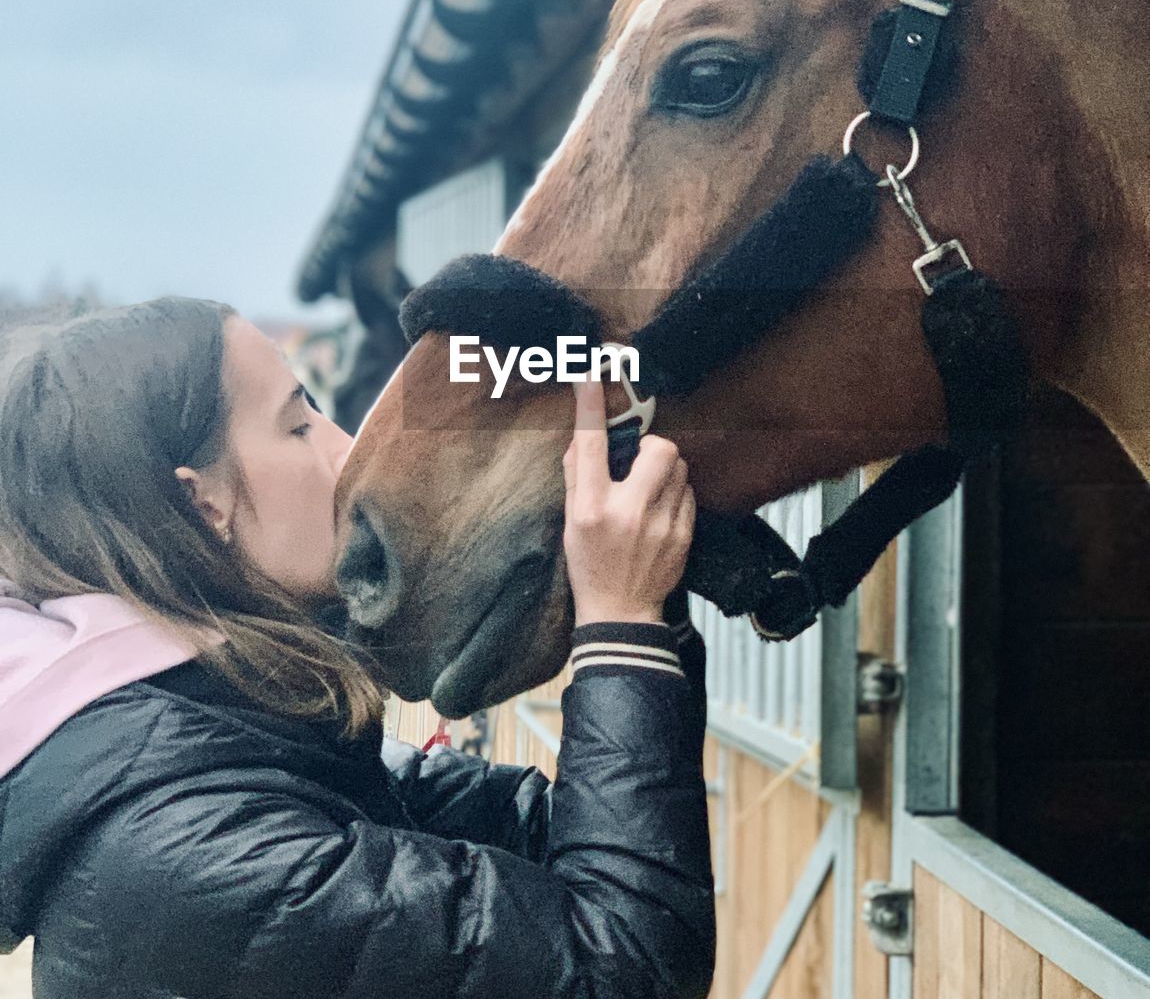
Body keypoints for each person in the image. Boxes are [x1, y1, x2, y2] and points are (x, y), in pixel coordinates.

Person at [0, 298, 714, 999]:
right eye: (297, 424)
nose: (346, 452)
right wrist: (622, 623)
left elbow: (572, 840)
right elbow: (625, 964)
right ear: (201, 506)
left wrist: (642, 588)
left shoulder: (237, 740)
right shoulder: (200, 853)